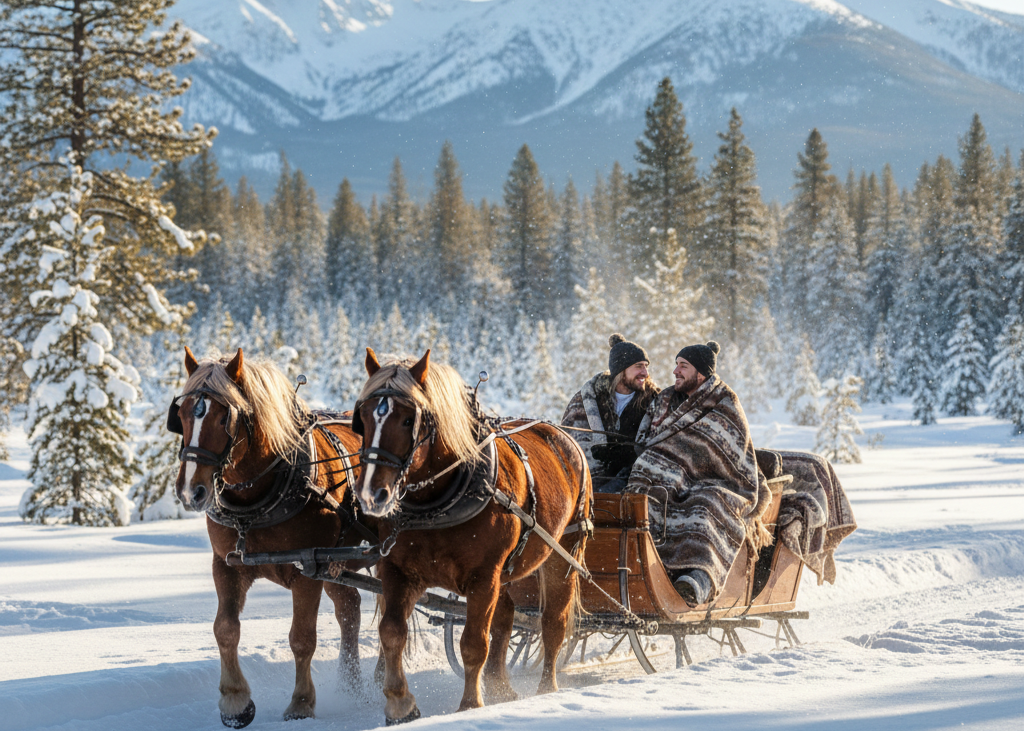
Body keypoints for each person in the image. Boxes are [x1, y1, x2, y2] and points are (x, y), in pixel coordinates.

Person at [627, 341, 773, 607]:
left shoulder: (724, 402)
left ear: (701, 373)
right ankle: (642, 567)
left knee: (706, 505)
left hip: (712, 480)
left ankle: (699, 577)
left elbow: (733, 454)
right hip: (665, 479)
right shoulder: (665, 399)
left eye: (683, 366)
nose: (675, 371)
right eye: (676, 365)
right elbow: (647, 439)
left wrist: (685, 466)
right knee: (641, 498)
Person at [561, 334, 659, 492]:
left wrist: (626, 458)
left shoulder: (654, 402)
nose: (645, 373)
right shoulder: (587, 400)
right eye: (639, 366)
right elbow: (568, 442)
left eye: (646, 366)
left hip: (635, 487)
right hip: (585, 483)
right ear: (621, 369)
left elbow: (660, 449)